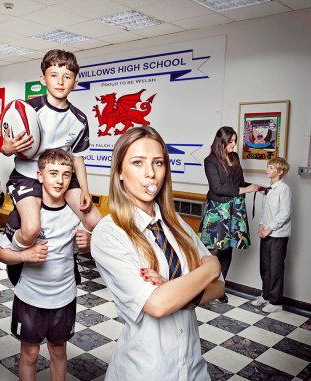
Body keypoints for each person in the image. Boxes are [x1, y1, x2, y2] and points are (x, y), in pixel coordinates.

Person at [91, 126, 224, 380]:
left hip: (193, 368)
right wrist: (211, 267)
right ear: (120, 171)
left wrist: (177, 290)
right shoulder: (109, 233)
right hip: (145, 370)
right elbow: (158, 304)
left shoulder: (177, 225)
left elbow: (219, 287)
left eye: (158, 163)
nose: (150, 173)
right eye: (138, 162)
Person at [0, 149, 87, 381]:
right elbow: (0, 253)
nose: (60, 180)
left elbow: (95, 244)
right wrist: (26, 255)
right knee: (30, 353)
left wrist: (90, 242)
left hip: (64, 296)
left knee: (58, 350)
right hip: (30, 297)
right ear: (39, 175)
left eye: (66, 174)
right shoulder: (25, 214)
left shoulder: (76, 213)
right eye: (53, 173)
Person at [2, 49, 101, 251]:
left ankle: (70, 250)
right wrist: (7, 148)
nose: (60, 82)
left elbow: (77, 158)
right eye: (54, 75)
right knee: (31, 229)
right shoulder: (27, 109)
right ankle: (15, 252)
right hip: (27, 175)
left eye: (67, 77)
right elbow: (6, 147)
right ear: (43, 79)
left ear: (75, 83)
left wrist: (85, 190)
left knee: (96, 222)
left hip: (62, 175)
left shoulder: (79, 119)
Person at [199, 126, 262, 303]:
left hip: (235, 208)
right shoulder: (210, 161)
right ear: (222, 142)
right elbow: (217, 188)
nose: (234, 145)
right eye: (231, 141)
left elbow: (239, 183)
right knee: (214, 249)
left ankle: (220, 288)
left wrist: (254, 187)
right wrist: (245, 189)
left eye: (235, 141)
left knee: (228, 249)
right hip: (218, 210)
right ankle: (201, 287)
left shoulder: (234, 158)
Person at [252, 157, 291, 313]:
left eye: (271, 167)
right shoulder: (269, 189)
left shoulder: (284, 189)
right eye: (268, 166)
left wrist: (270, 229)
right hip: (266, 233)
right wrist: (261, 226)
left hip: (278, 235)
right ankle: (266, 295)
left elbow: (285, 213)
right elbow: (265, 211)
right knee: (265, 267)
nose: (267, 169)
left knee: (275, 268)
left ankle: (276, 303)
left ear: (280, 172)